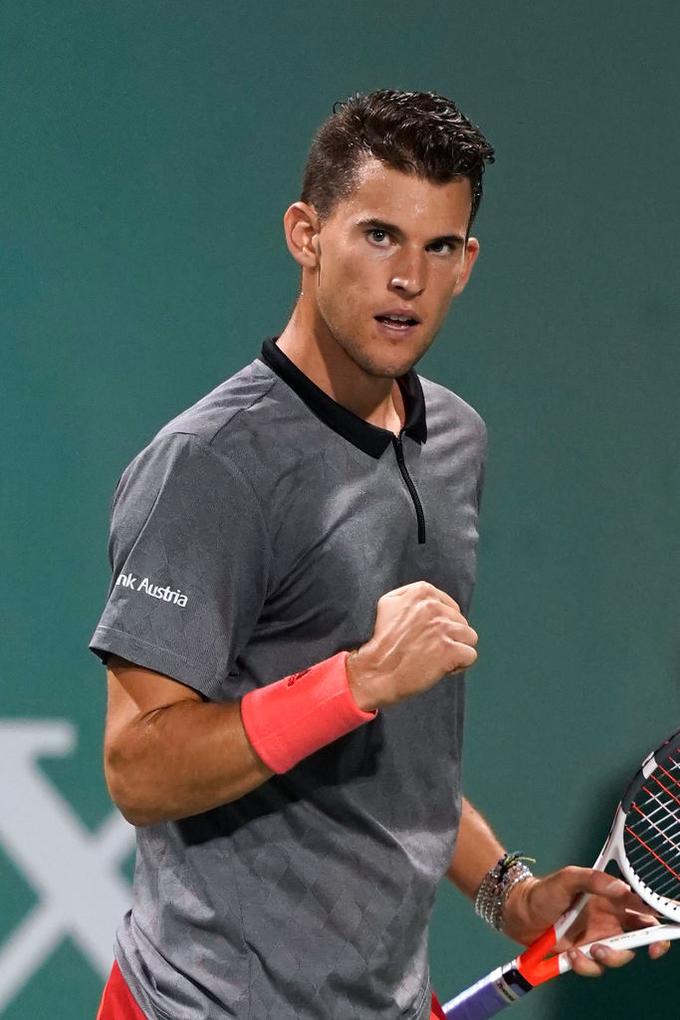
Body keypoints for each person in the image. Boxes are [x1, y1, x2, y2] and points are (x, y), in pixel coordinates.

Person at [90, 89, 669, 1020]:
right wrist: (350, 681)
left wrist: (510, 893)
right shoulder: (208, 468)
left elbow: (400, 764)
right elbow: (139, 770)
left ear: (468, 263)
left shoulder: (455, 443)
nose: (409, 277)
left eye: (439, 247)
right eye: (378, 236)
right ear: (305, 233)